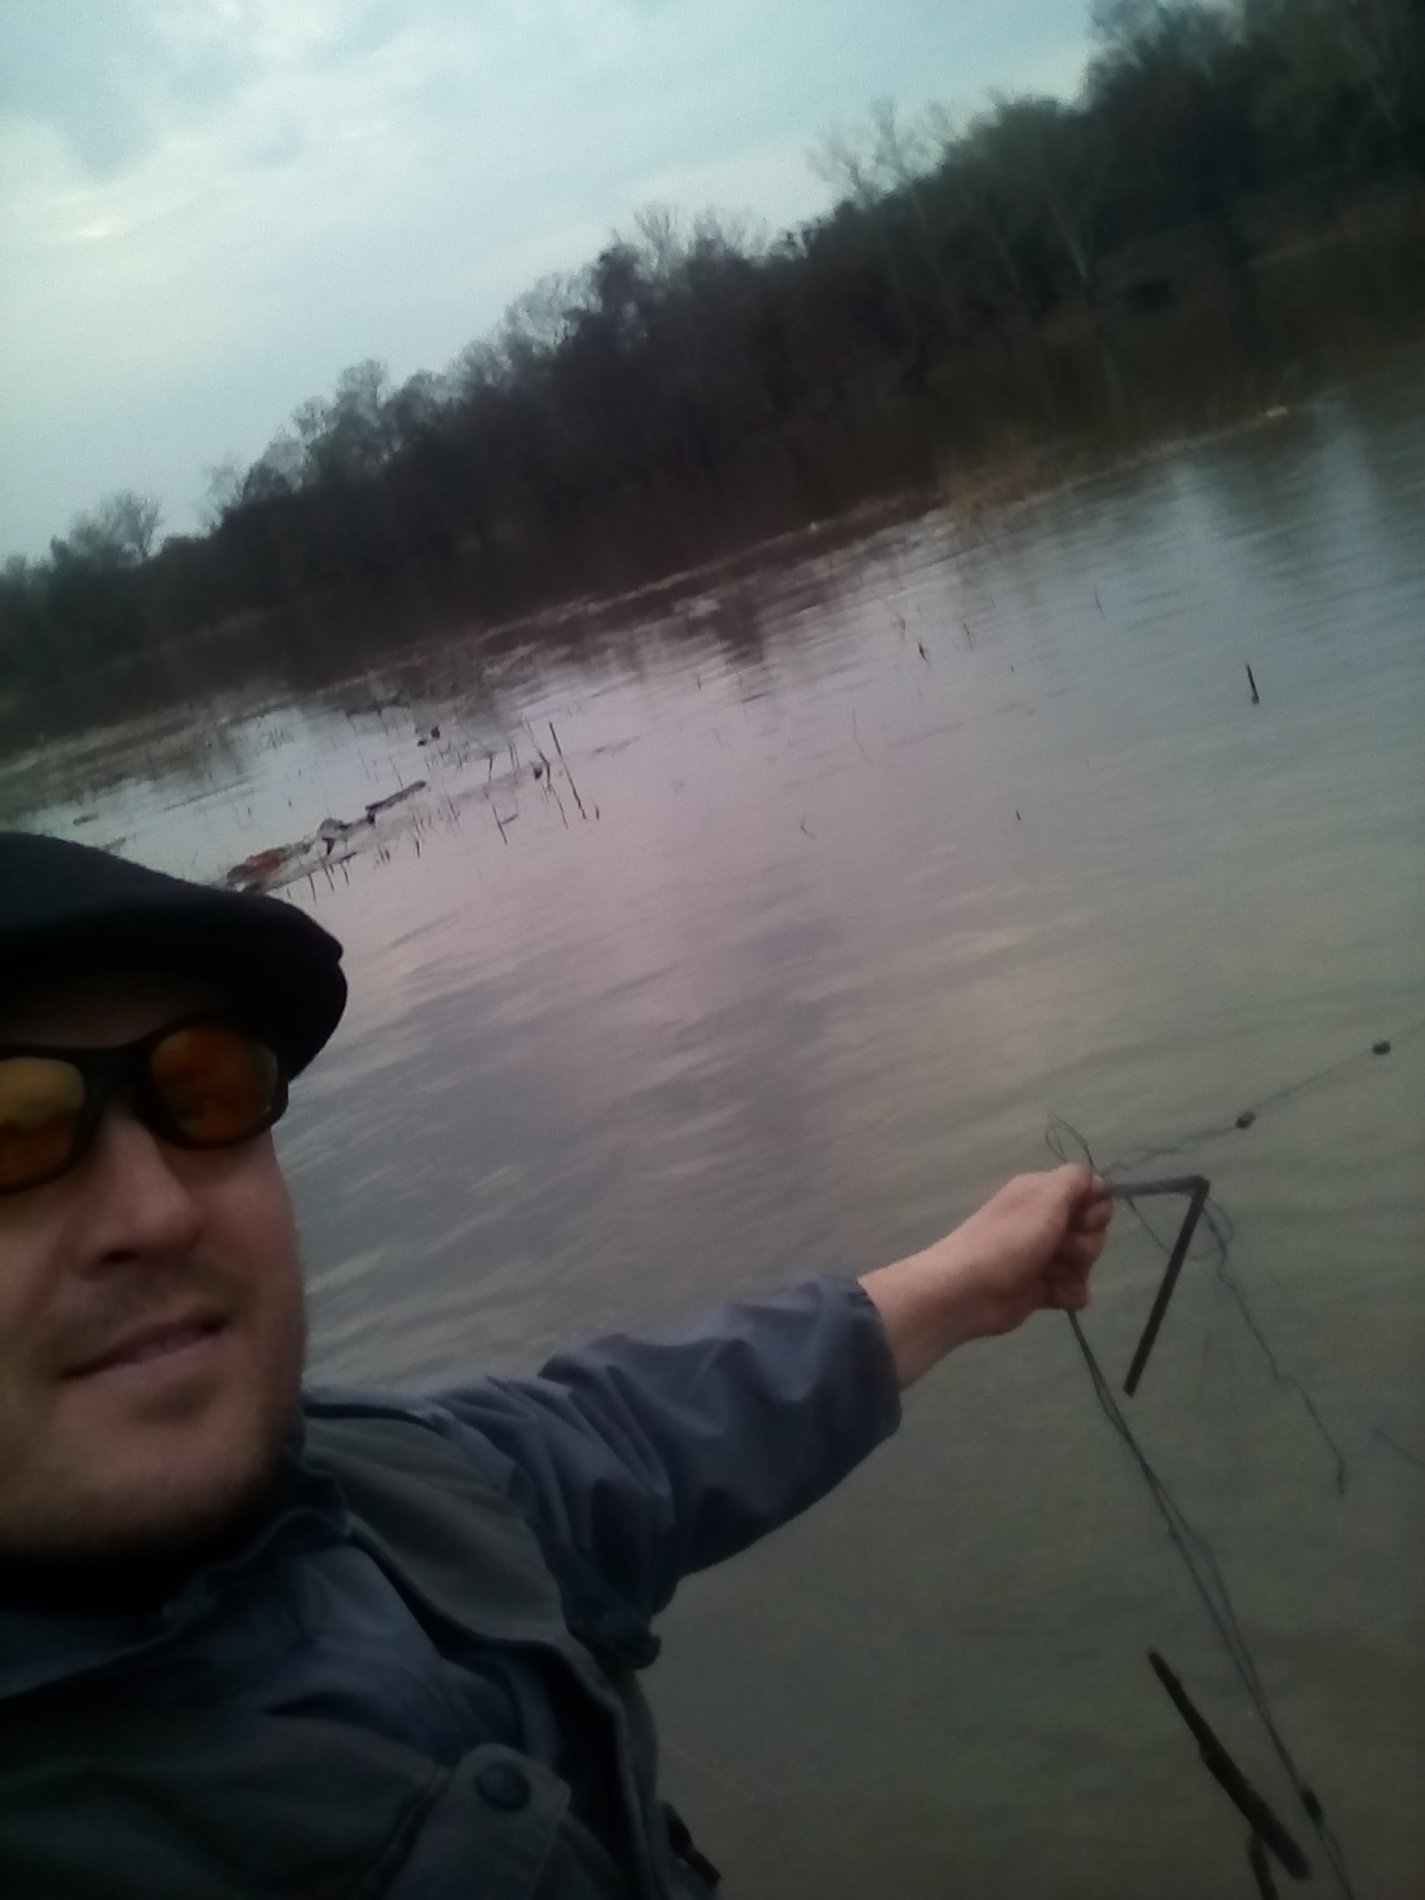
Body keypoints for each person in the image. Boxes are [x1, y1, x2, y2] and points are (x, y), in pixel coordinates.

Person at [0, 829, 1112, 1898]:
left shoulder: (378, 1484)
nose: (154, 1213)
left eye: (203, 1090)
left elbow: (628, 1439)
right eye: (9, 1133)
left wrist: (964, 1279)